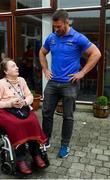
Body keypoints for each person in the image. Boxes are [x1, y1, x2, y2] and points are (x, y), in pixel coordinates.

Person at [39, 9, 101, 158]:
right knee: (46, 112)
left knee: (68, 116)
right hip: (53, 82)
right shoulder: (52, 38)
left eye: (59, 26)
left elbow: (96, 53)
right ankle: (45, 140)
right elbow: (42, 52)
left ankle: (64, 146)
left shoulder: (78, 38)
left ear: (67, 22)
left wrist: (82, 72)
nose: (56, 29)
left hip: (70, 84)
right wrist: (45, 69)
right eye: (54, 26)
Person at [0, 58, 47, 174]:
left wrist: (24, 102)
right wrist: (9, 103)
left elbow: (30, 96)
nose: (17, 67)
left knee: (32, 120)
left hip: (21, 108)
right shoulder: (1, 83)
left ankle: (36, 154)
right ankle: (20, 160)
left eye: (16, 66)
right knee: (17, 124)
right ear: (6, 71)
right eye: (13, 66)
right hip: (6, 111)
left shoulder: (21, 80)